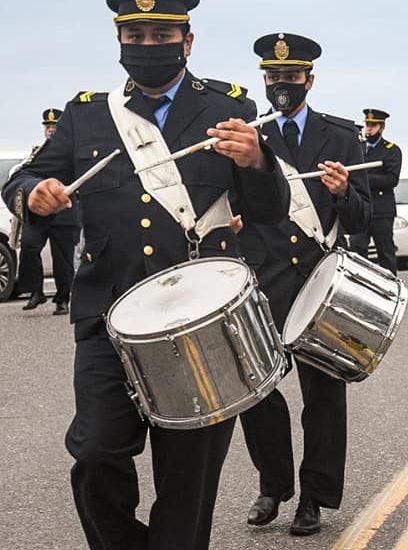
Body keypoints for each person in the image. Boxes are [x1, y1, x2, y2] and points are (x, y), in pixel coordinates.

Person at [2, 2, 291, 548]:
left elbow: (270, 209)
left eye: (161, 34)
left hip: (199, 319)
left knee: (187, 479)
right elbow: (28, 175)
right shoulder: (87, 113)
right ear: (119, 40)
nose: (147, 44)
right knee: (95, 454)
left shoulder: (229, 106)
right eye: (135, 34)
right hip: (108, 313)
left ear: (187, 40)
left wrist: (257, 162)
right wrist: (31, 194)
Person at [237, 33, 370, 537]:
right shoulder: (250, 135)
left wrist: (343, 192)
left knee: (323, 396)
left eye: (290, 78)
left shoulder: (339, 135)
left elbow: (361, 219)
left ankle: (313, 497)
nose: (281, 86)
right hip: (264, 280)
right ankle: (273, 486)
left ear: (309, 80)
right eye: (272, 78)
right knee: (258, 390)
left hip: (320, 280)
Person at [16, 108, 80, 315]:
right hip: (39, 212)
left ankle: (62, 299)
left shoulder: (72, 151)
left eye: (54, 126)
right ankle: (36, 291)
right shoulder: (37, 151)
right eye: (48, 127)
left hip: (63, 209)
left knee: (62, 258)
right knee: (28, 246)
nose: (51, 130)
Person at [348, 108, 401, 274]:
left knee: (385, 250)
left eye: (373, 125)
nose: (368, 128)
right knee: (357, 249)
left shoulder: (391, 150)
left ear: (382, 128)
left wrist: (363, 178)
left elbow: (391, 179)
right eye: (367, 124)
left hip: (381, 209)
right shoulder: (358, 148)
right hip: (361, 207)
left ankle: (391, 288)